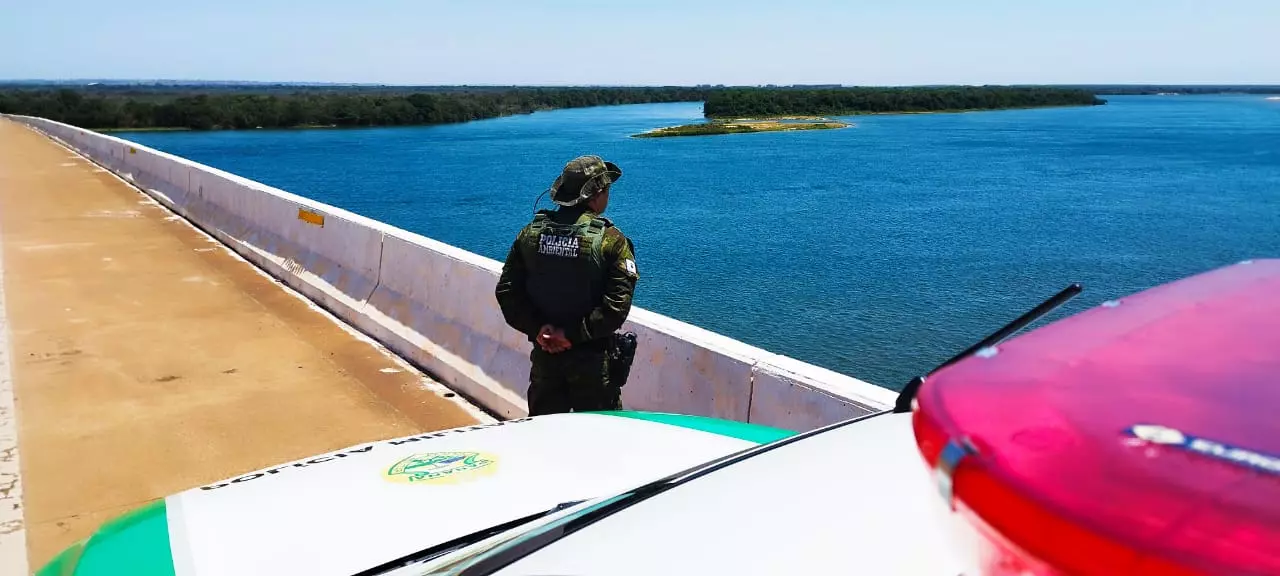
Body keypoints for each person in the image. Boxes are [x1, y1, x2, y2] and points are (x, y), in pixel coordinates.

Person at [495, 155, 640, 416]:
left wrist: (540, 330)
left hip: (545, 359)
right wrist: (571, 335)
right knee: (599, 442)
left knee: (544, 439)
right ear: (597, 193)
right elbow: (616, 308)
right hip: (594, 368)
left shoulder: (531, 233)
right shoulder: (611, 241)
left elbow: (507, 292)